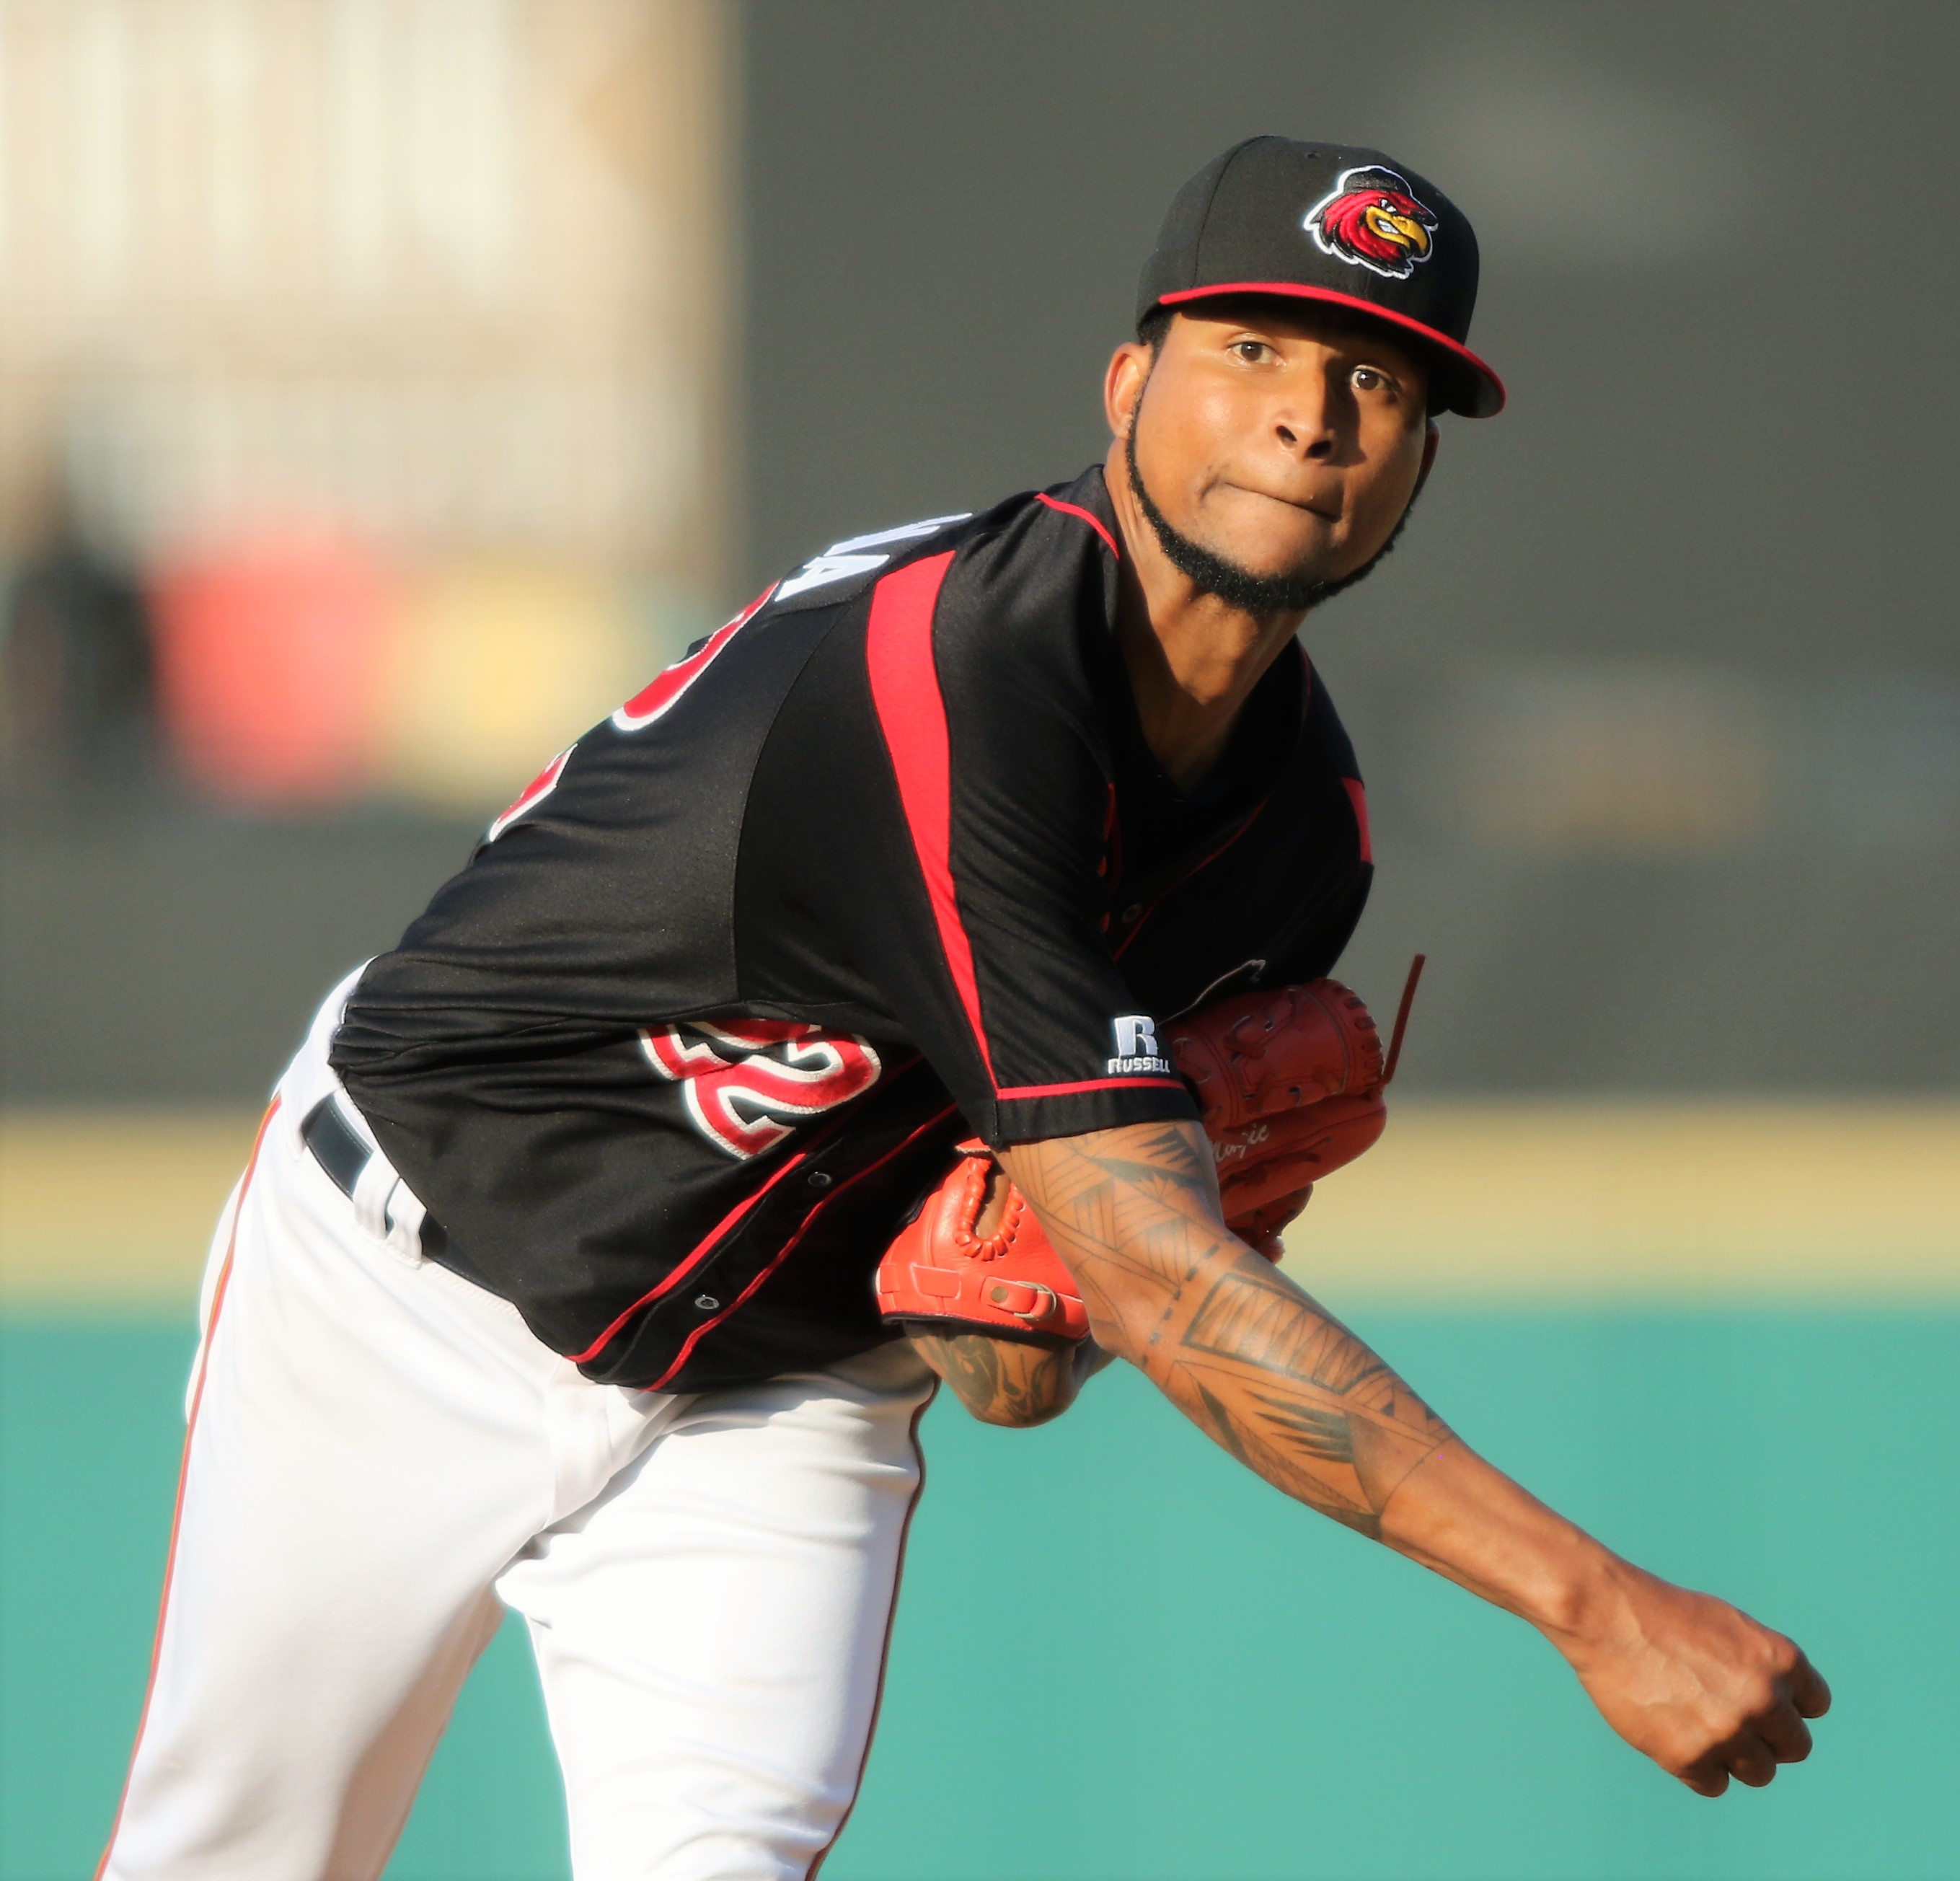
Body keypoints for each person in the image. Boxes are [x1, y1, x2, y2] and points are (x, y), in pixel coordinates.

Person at [98, 136, 1827, 1881]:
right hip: (413, 1283)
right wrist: (1592, 1601)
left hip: (773, 1387)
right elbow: (1162, 1275)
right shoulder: (957, 674)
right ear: (1128, 381)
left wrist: (1038, 1294)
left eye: (1376, 381)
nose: (1309, 418)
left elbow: (1004, 1359)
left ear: (1418, 464)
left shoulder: (1303, 840)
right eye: (1253, 350)